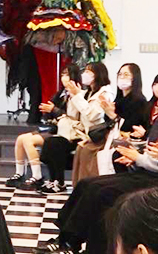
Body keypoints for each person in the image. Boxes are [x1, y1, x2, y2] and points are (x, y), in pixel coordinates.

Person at [39, 70, 158, 254]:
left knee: (102, 192)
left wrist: (144, 158)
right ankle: (66, 238)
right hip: (154, 171)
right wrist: (139, 155)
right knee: (87, 184)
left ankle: (79, 246)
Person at [37, 62, 114, 193]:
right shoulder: (87, 92)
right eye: (85, 71)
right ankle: (54, 180)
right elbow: (73, 114)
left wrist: (77, 95)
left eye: (89, 72)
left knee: (56, 145)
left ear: (98, 74)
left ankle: (60, 182)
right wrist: (73, 96)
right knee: (50, 143)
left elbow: (92, 115)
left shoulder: (104, 93)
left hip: (94, 135)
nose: (85, 74)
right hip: (80, 131)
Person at [72, 63, 151, 183]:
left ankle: (93, 184)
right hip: (110, 136)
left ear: (134, 78)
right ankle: (79, 186)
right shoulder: (119, 99)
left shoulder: (139, 101)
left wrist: (112, 114)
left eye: (126, 74)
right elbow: (107, 122)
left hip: (125, 140)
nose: (122, 77)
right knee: (82, 148)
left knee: (88, 151)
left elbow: (128, 127)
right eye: (120, 74)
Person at [6, 64, 81, 190]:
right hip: (55, 127)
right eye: (62, 74)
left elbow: (72, 116)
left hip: (67, 132)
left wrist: (54, 110)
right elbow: (51, 111)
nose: (64, 77)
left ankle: (37, 176)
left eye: (67, 74)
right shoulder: (61, 94)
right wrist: (49, 112)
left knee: (28, 141)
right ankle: (19, 173)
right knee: (20, 139)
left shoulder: (78, 94)